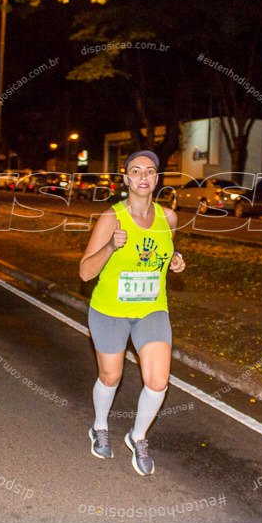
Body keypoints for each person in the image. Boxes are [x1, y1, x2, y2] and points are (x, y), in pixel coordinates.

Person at [79, 150, 186, 476]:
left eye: (149, 171)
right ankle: (100, 426)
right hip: (110, 310)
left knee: (158, 380)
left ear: (156, 179)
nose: (143, 177)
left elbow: (158, 255)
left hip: (151, 309)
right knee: (111, 376)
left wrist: (175, 260)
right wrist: (111, 247)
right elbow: (85, 272)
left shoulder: (168, 218)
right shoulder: (111, 218)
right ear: (126, 179)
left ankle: (137, 436)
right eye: (136, 171)